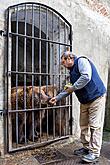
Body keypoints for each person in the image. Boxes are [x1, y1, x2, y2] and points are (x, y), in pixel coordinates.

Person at [49, 50, 106, 163]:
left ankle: (94, 152)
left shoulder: (81, 61)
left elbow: (86, 77)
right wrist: (58, 98)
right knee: (83, 125)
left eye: (63, 62)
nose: (63, 66)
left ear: (70, 58)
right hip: (85, 100)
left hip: (96, 97)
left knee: (95, 126)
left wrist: (73, 87)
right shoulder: (72, 72)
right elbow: (70, 88)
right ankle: (86, 148)